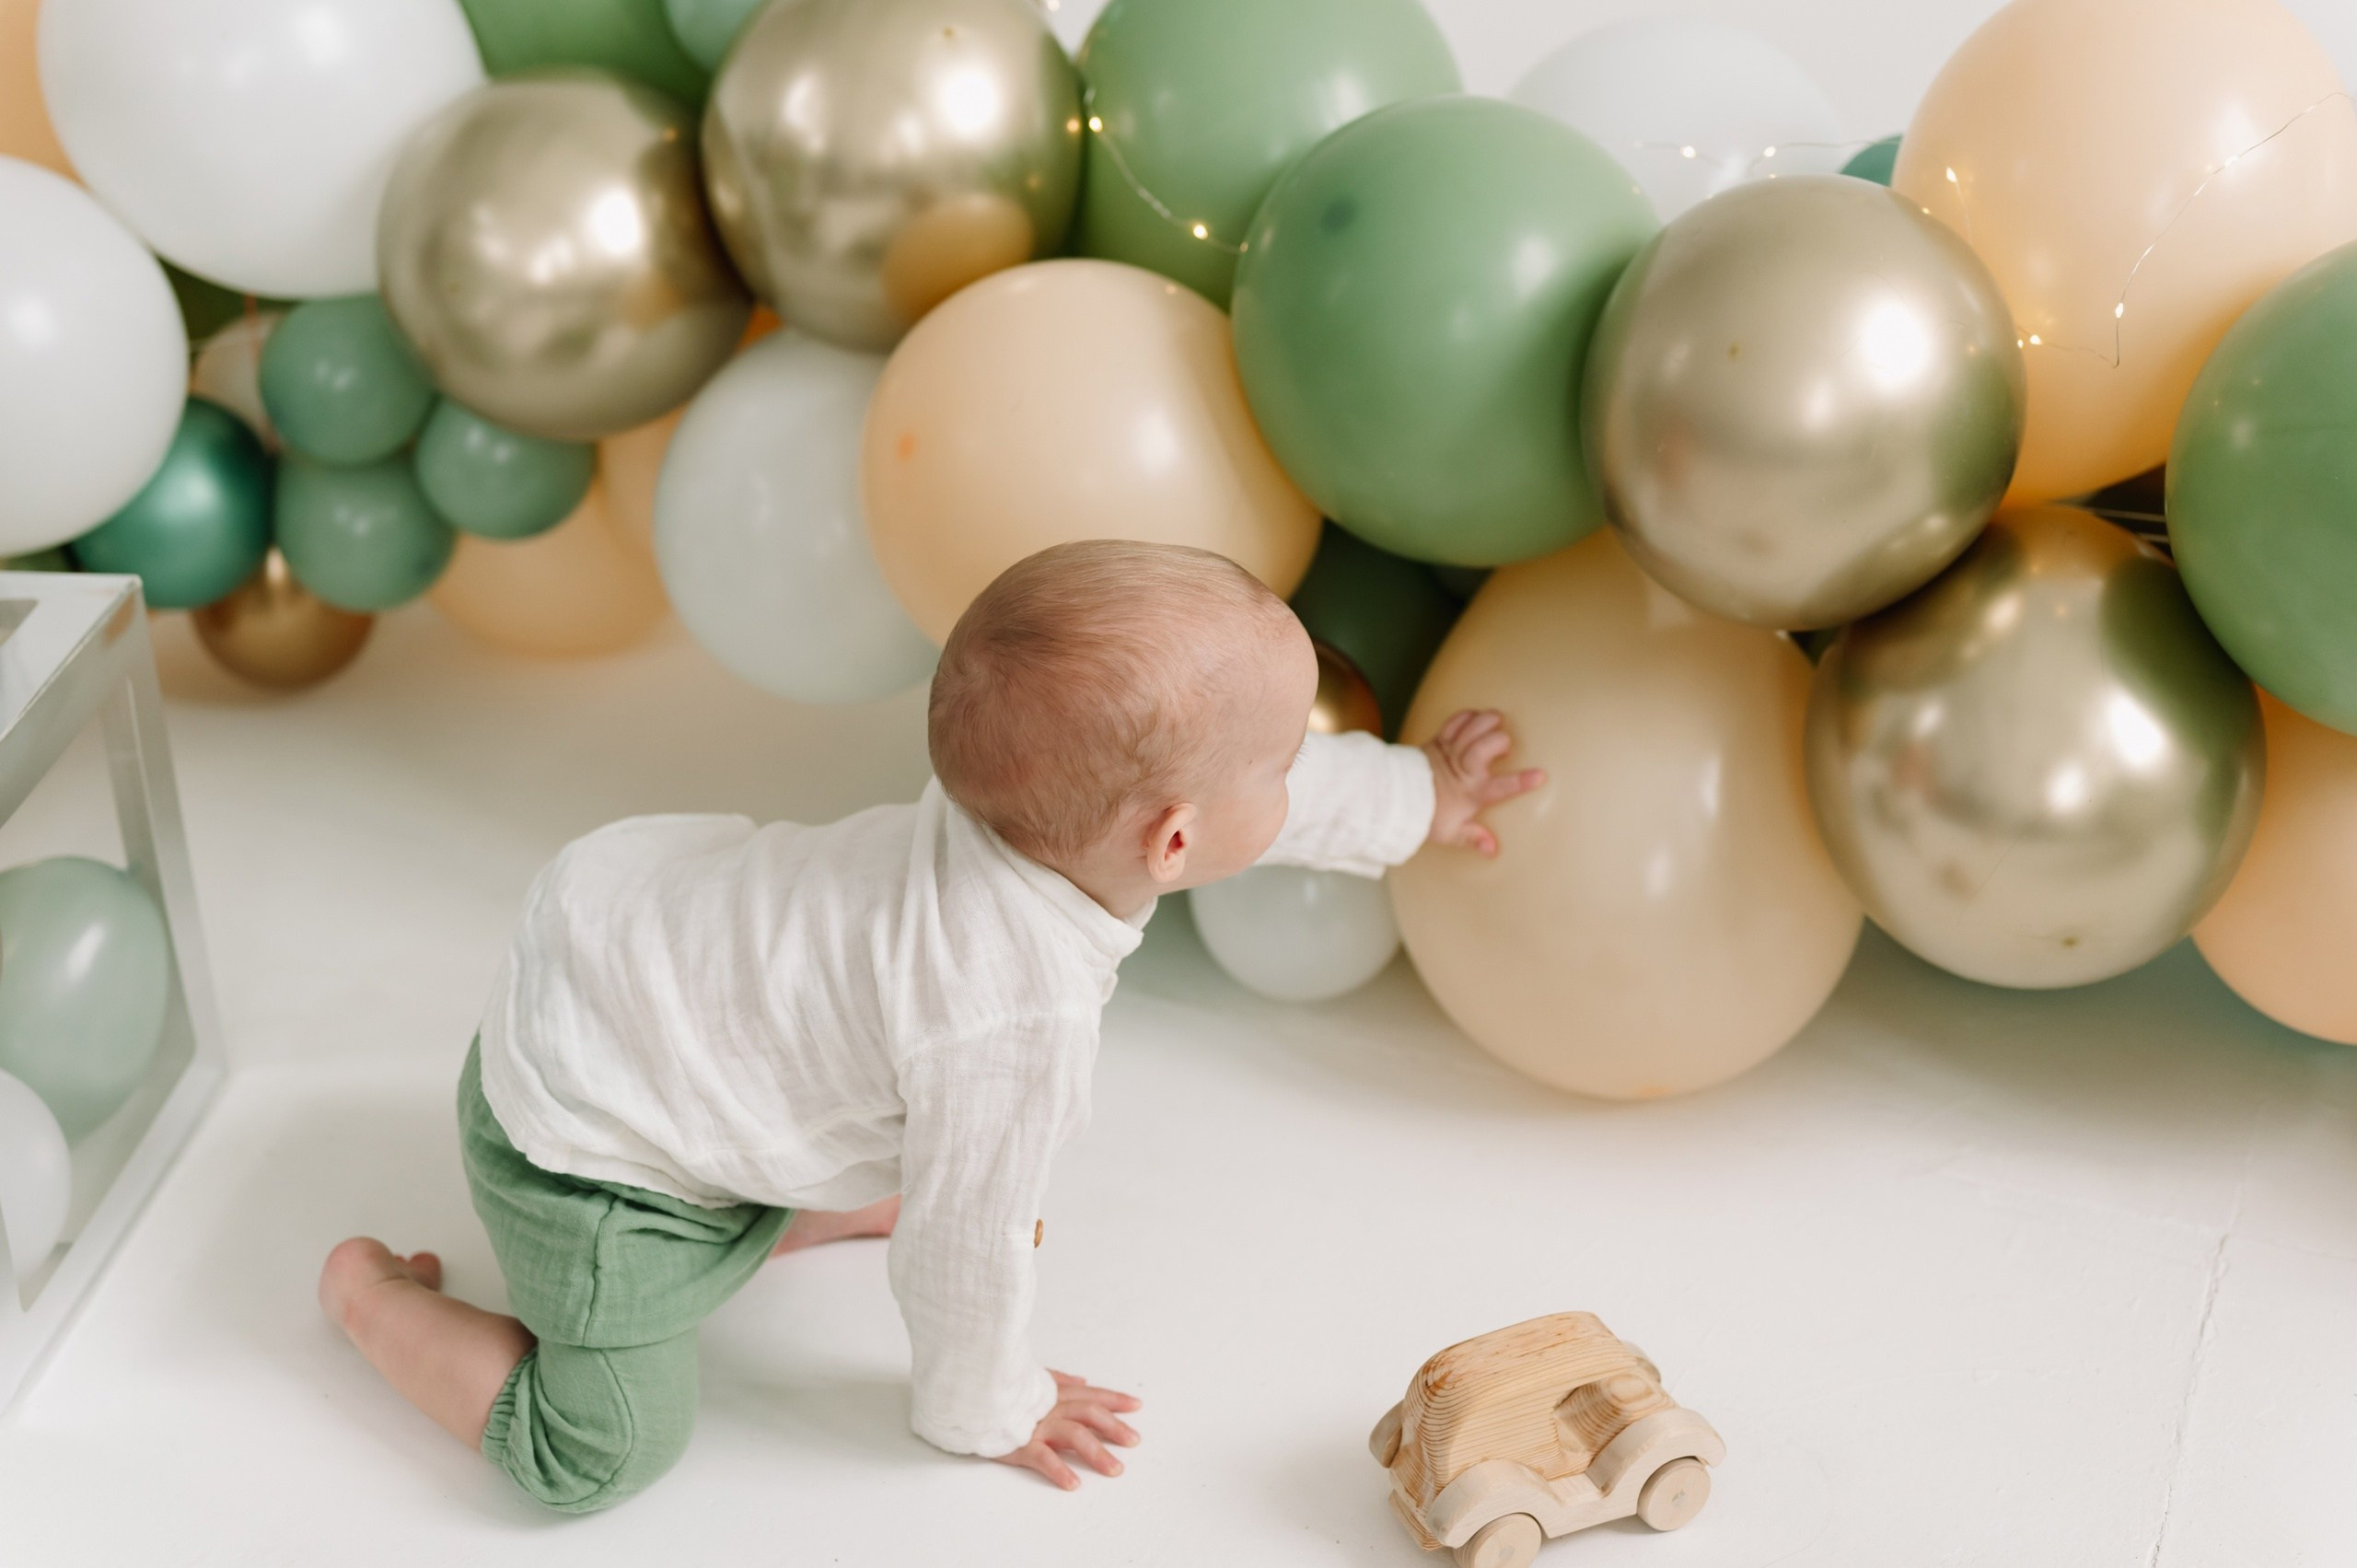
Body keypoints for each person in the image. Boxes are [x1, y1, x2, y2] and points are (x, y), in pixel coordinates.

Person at [317, 539, 1544, 1513]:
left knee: (838, 1075)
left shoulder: (1025, 805)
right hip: (584, 1153)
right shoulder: (1006, 1015)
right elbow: (967, 1252)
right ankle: (372, 1300)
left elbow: (1262, 790)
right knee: (609, 1454)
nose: (1298, 770)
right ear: (1173, 845)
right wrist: (991, 1409)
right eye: (1287, 757)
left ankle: (781, 1203)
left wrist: (1419, 793)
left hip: (640, 970)